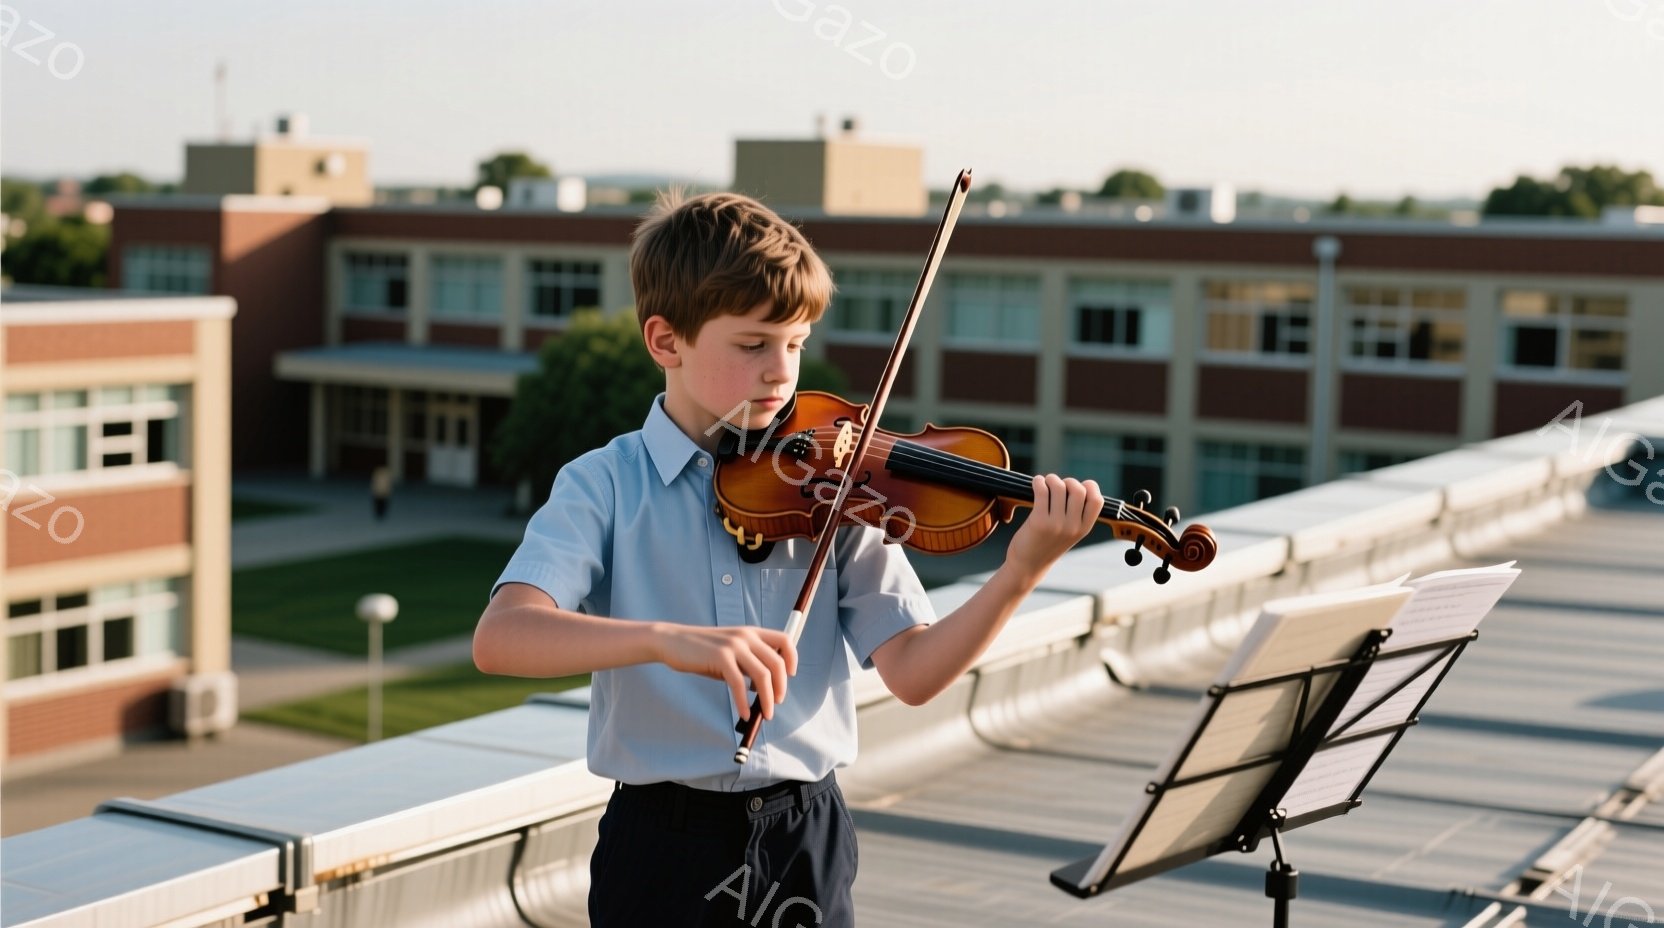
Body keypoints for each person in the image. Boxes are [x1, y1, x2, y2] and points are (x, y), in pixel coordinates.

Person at [472, 190, 1103, 927]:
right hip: (661, 846)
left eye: (796, 343)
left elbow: (916, 672)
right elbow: (501, 637)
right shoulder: (604, 484)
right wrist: (665, 641)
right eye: (753, 346)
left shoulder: (838, 485)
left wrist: (1020, 571)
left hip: (805, 832)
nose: (783, 372)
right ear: (665, 342)